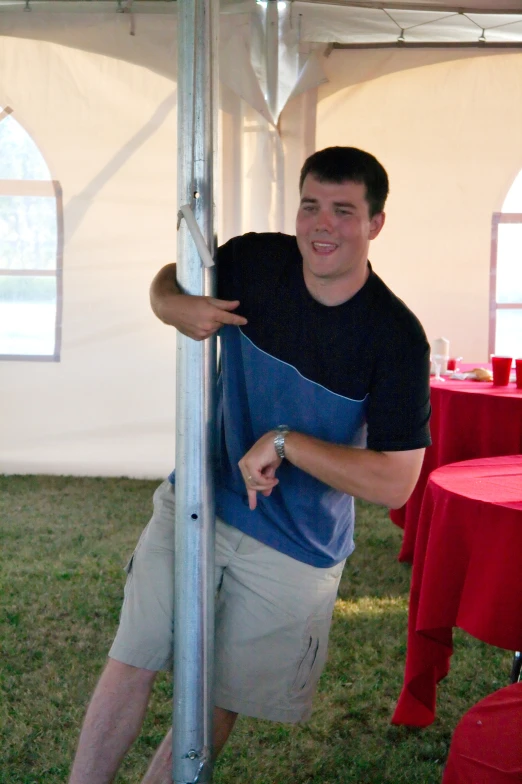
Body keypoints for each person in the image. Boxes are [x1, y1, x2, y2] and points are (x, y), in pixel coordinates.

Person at [68, 146, 431, 784]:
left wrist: (284, 441)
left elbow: (396, 481)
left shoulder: (396, 337)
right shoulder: (257, 261)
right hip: (200, 500)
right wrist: (167, 303)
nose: (323, 225)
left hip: (298, 545)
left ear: (375, 224)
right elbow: (172, 281)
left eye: (344, 211)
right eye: (310, 205)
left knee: (219, 700)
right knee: (134, 658)